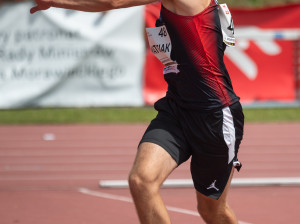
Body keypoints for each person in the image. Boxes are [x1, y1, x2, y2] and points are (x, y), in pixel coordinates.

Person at [31, 0, 244, 223]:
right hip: (176, 109)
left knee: (211, 211)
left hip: (215, 116)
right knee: (141, 181)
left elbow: (112, 2)